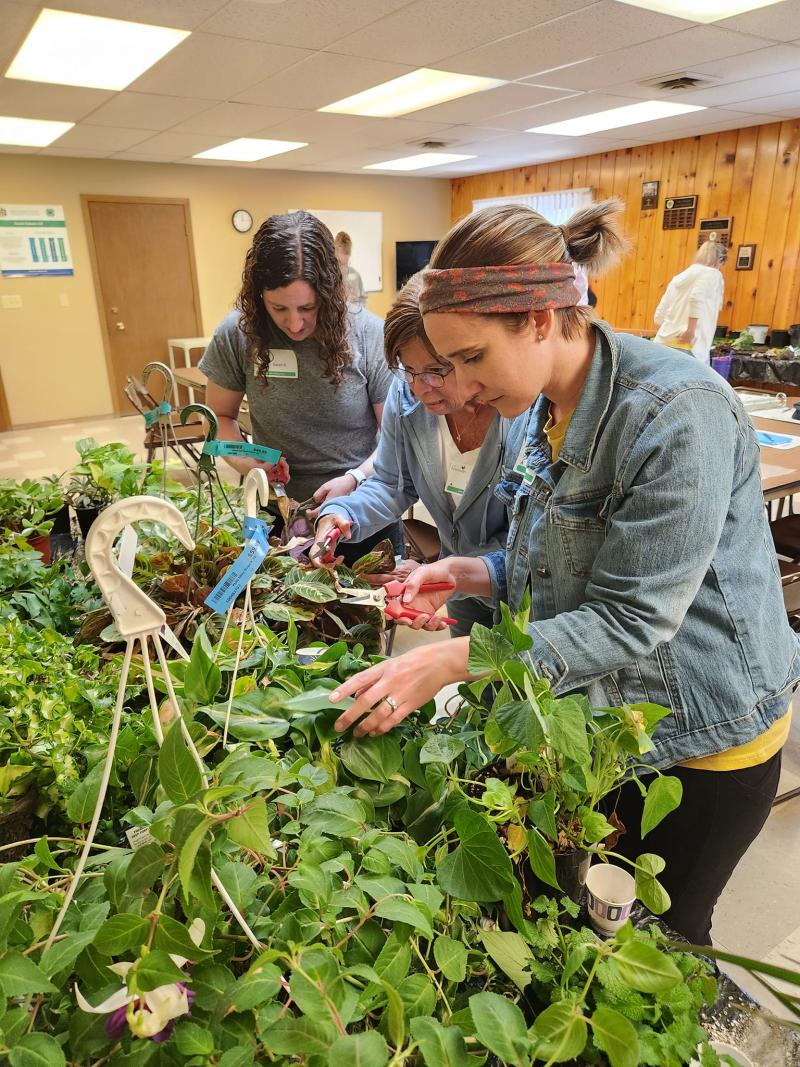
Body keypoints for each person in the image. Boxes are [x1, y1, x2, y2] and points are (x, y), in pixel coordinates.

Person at [329, 199, 799, 945]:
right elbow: (561, 564)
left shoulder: (675, 412)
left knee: (658, 945)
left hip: (703, 740)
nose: (463, 387)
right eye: (449, 366)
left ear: (543, 318)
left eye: (472, 360)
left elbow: (631, 618)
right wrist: (473, 573)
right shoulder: (551, 408)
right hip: (607, 718)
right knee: (586, 924)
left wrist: (459, 658)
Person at [313, 273, 526, 637]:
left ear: (470, 355)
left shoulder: (522, 413)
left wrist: (456, 573)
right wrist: (342, 513)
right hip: (456, 590)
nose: (419, 387)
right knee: (477, 684)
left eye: (436, 370)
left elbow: (534, 545)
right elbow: (391, 483)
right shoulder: (406, 397)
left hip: (526, 596)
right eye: (408, 369)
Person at [199, 210, 401, 564]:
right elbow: (218, 418)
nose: (294, 323)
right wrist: (251, 465)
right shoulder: (238, 334)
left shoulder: (368, 335)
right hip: (275, 514)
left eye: (308, 307)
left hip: (361, 514)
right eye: (279, 308)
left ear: (331, 292)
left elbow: (395, 439)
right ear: (257, 295)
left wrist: (353, 480)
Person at [653, 241, 727, 364]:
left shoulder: (681, 276)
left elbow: (659, 315)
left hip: (664, 342)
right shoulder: (713, 274)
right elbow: (696, 298)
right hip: (691, 345)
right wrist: (690, 331)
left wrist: (669, 328)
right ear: (720, 260)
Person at [335, 231, 368, 308]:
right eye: (340, 263)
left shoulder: (355, 274)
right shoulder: (328, 277)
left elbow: (363, 300)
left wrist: (356, 302)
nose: (343, 268)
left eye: (346, 263)